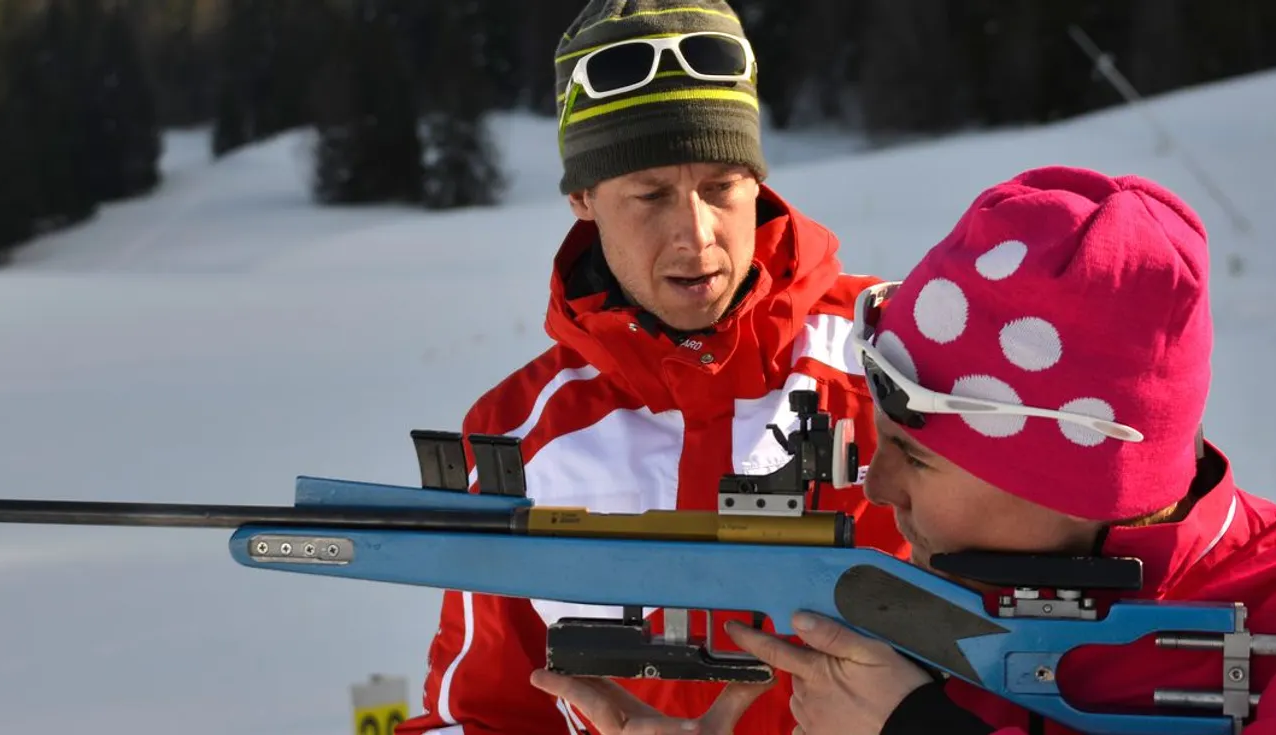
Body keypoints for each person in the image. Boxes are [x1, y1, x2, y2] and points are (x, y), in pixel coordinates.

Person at [668, 165, 1276, 734]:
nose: (878, 486)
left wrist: (920, 727)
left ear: (1074, 480)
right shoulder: (920, 619)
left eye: (919, 456)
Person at [389, 1, 913, 734]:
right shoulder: (520, 433)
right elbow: (481, 714)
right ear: (583, 198)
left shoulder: (897, 360)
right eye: (651, 195)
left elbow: (1035, 654)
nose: (696, 235)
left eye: (721, 186)